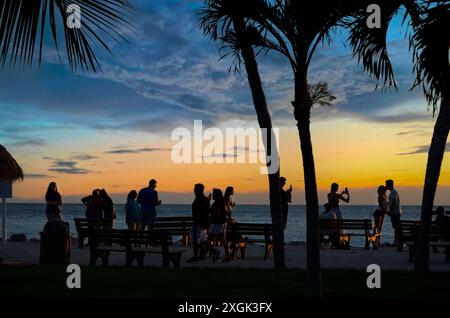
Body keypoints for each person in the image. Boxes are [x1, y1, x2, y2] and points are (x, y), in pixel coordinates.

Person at [187, 183, 210, 263]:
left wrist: (197, 219)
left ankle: (196, 256)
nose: (194, 190)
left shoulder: (201, 199)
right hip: (202, 222)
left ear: (200, 190)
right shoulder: (202, 198)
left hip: (200, 223)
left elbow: (203, 211)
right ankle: (199, 255)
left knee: (196, 240)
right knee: (200, 239)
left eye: (195, 189)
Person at [208, 189, 231, 262]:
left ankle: (218, 252)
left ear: (216, 195)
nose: (212, 195)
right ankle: (227, 256)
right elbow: (228, 213)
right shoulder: (221, 203)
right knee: (222, 240)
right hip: (220, 223)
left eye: (213, 194)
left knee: (212, 239)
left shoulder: (217, 204)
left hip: (217, 224)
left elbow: (214, 213)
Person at [386, 179, 402, 247]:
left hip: (395, 212)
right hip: (396, 212)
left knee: (396, 227)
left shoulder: (393, 192)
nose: (386, 186)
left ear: (389, 185)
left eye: (386, 184)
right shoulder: (394, 192)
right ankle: (396, 241)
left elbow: (393, 202)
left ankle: (396, 241)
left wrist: (389, 211)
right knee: (396, 227)